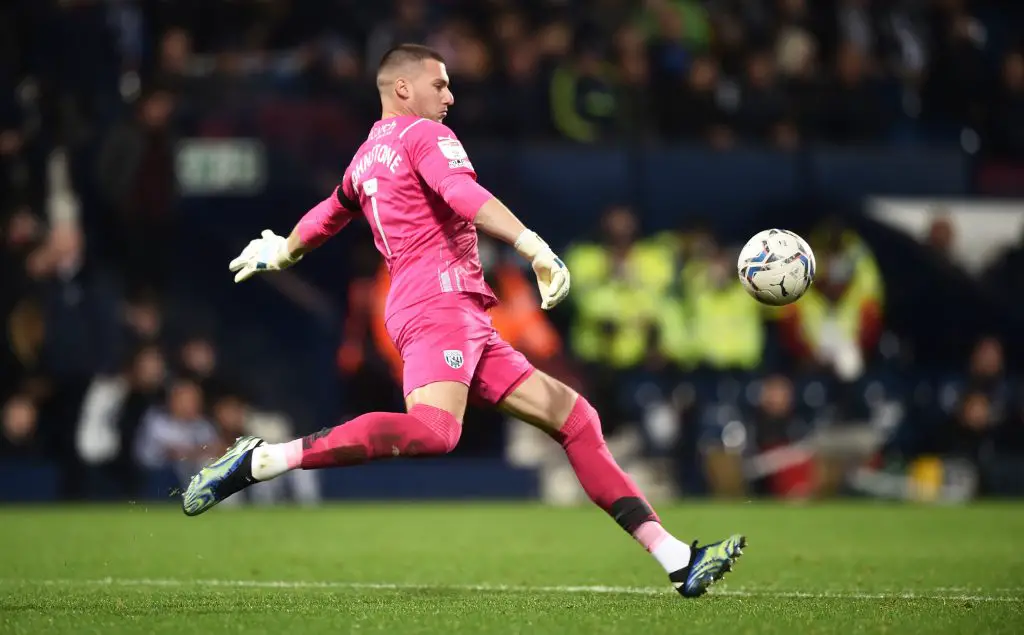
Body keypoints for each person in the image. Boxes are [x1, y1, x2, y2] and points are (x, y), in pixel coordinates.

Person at [181, 44, 744, 598]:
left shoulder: (366, 155)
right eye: (440, 83)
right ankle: (263, 459)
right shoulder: (425, 136)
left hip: (454, 312)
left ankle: (677, 560)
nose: (449, 96)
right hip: (438, 305)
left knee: (575, 419)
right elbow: (461, 191)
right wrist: (533, 244)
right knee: (434, 431)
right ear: (403, 88)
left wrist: (283, 251)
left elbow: (332, 211)